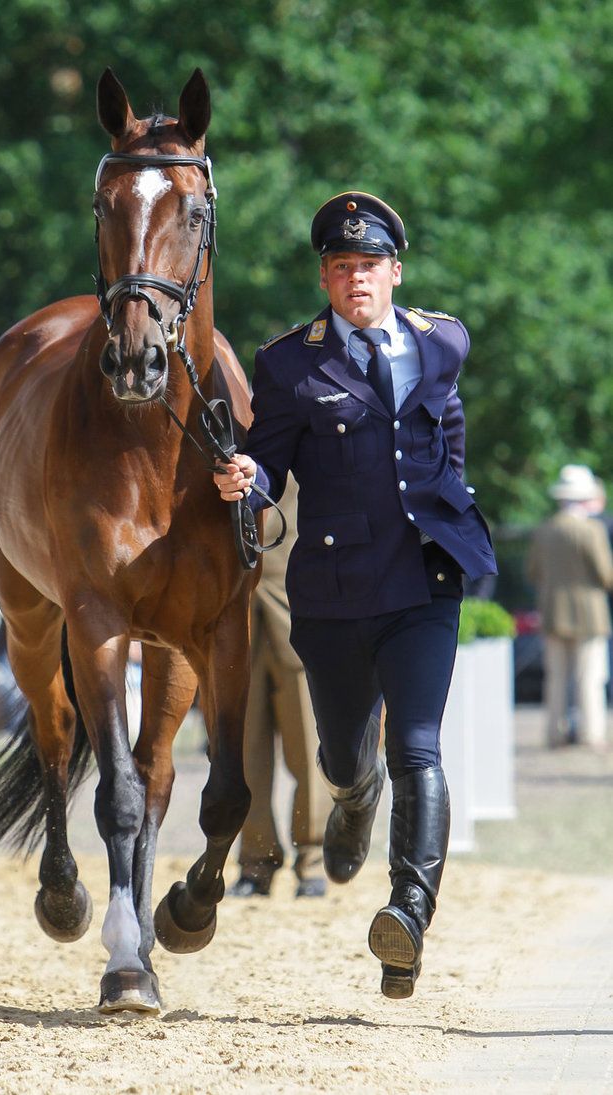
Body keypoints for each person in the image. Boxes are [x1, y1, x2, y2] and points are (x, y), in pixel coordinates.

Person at [213, 191, 496, 1000]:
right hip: (335, 593)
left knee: (417, 747)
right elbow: (266, 462)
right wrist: (247, 479)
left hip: (423, 579)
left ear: (394, 271)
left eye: (369, 265)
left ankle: (407, 915)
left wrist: (454, 506)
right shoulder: (290, 363)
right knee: (344, 753)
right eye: (341, 268)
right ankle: (350, 794)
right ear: (327, 279)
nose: (355, 279)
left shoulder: (442, 341)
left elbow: (449, 435)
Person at [229, 474, 333, 899]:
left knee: (309, 750)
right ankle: (255, 861)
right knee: (244, 754)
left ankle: (312, 860)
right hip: (236, 622)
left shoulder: (299, 420)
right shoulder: (222, 428)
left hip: (298, 614)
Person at [527, 464, 613, 751]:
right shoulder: (592, 529)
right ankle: (591, 733)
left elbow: (533, 571)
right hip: (590, 612)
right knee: (589, 676)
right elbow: (605, 572)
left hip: (552, 610)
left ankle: (555, 732)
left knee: (556, 677)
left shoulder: (544, 529)